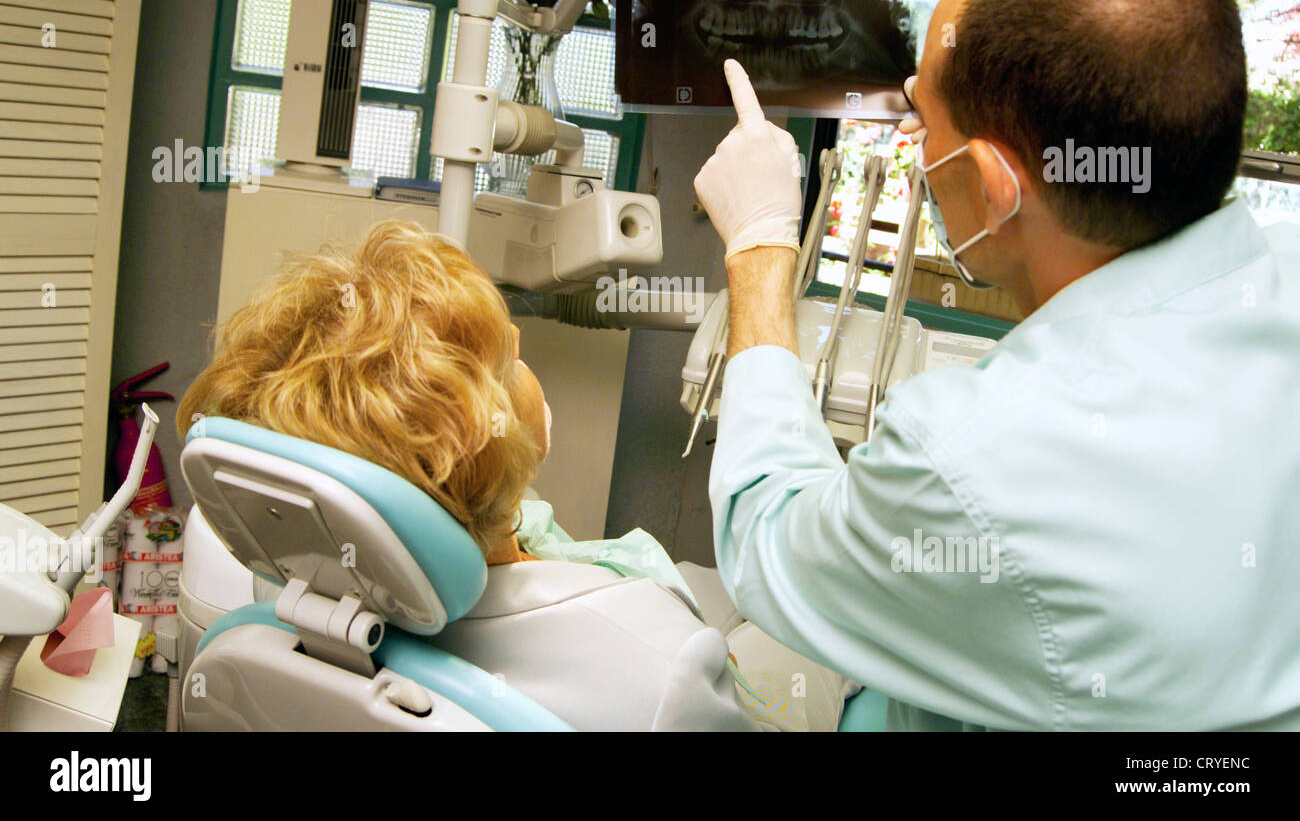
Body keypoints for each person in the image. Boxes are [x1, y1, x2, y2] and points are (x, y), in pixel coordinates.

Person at [692, 0, 1300, 730]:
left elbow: (770, 543)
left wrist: (761, 243)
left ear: (995, 185)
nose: (912, 135)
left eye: (927, 120)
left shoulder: (975, 460)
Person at [177, 219, 854, 730]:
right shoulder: (661, 666)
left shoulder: (292, 600)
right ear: (476, 439)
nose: (522, 353)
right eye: (507, 361)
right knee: (814, 625)